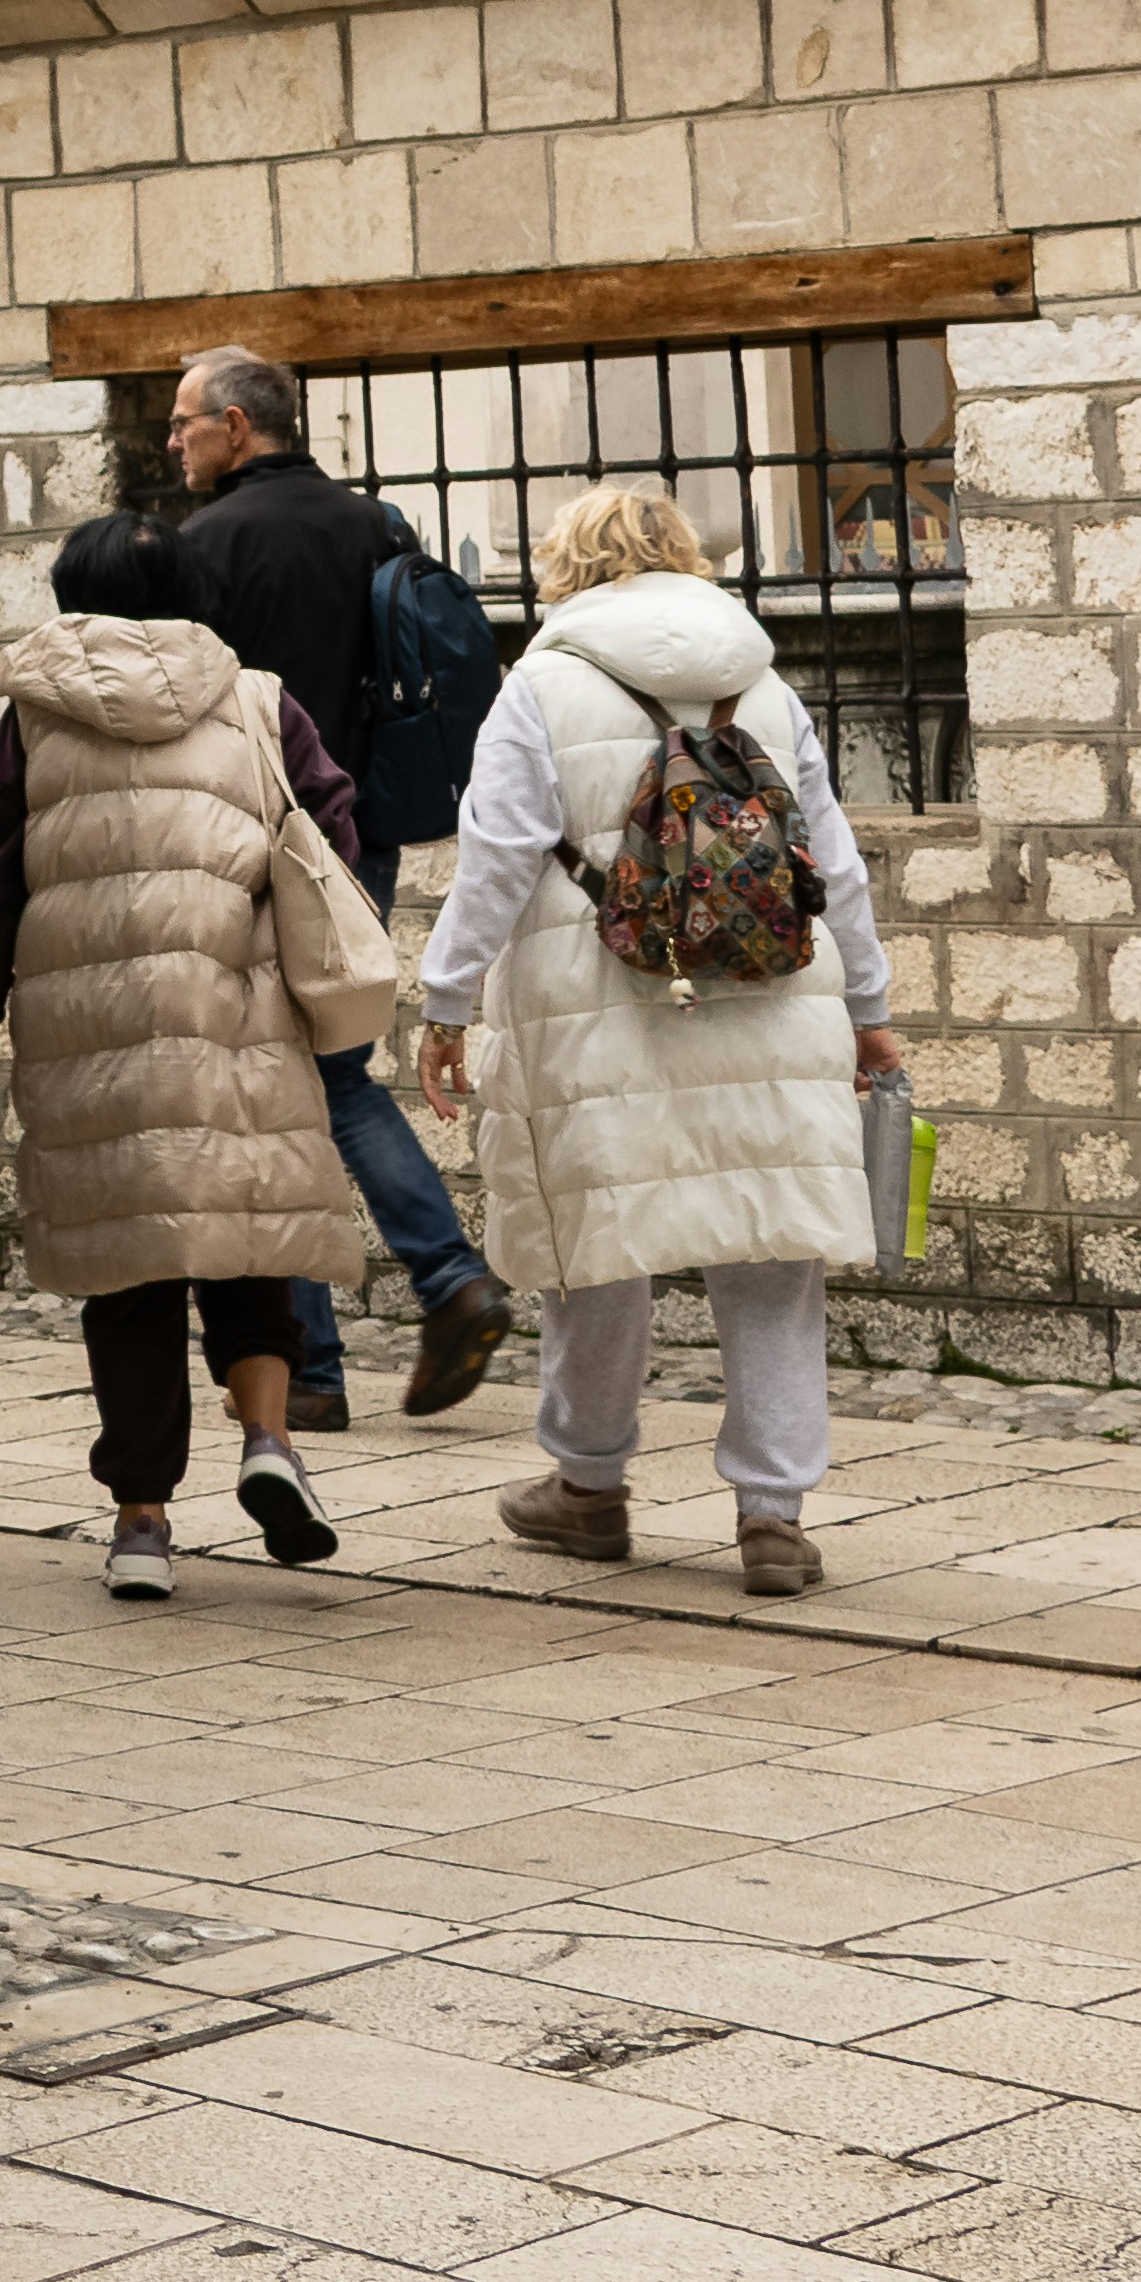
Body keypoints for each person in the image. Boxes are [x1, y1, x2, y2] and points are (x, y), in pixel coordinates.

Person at [411, 484, 900, 1597]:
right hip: (770, 994)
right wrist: (869, 1009)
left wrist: (444, 1003)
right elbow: (837, 858)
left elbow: (493, 858)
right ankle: (774, 1516)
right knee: (772, 1247)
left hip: (602, 997)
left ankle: (588, 1488)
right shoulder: (762, 681)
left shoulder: (540, 684)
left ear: (567, 568)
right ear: (685, 556)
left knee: (596, 1243)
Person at [0, 515, 401, 1598]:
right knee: (246, 1241)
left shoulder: (34, 719)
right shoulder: (255, 696)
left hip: (85, 1029)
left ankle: (142, 1523)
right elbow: (330, 827)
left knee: (128, 1271)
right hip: (235, 1013)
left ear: (71, 593)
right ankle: (270, 1442)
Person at [150, 346, 516, 1427]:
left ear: (232, 423)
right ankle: (416, 1298)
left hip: (252, 843)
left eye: (183, 422)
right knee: (329, 1067)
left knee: (286, 1085)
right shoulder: (377, 526)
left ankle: (330, 1349)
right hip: (361, 836)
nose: (172, 441)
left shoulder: (202, 545)